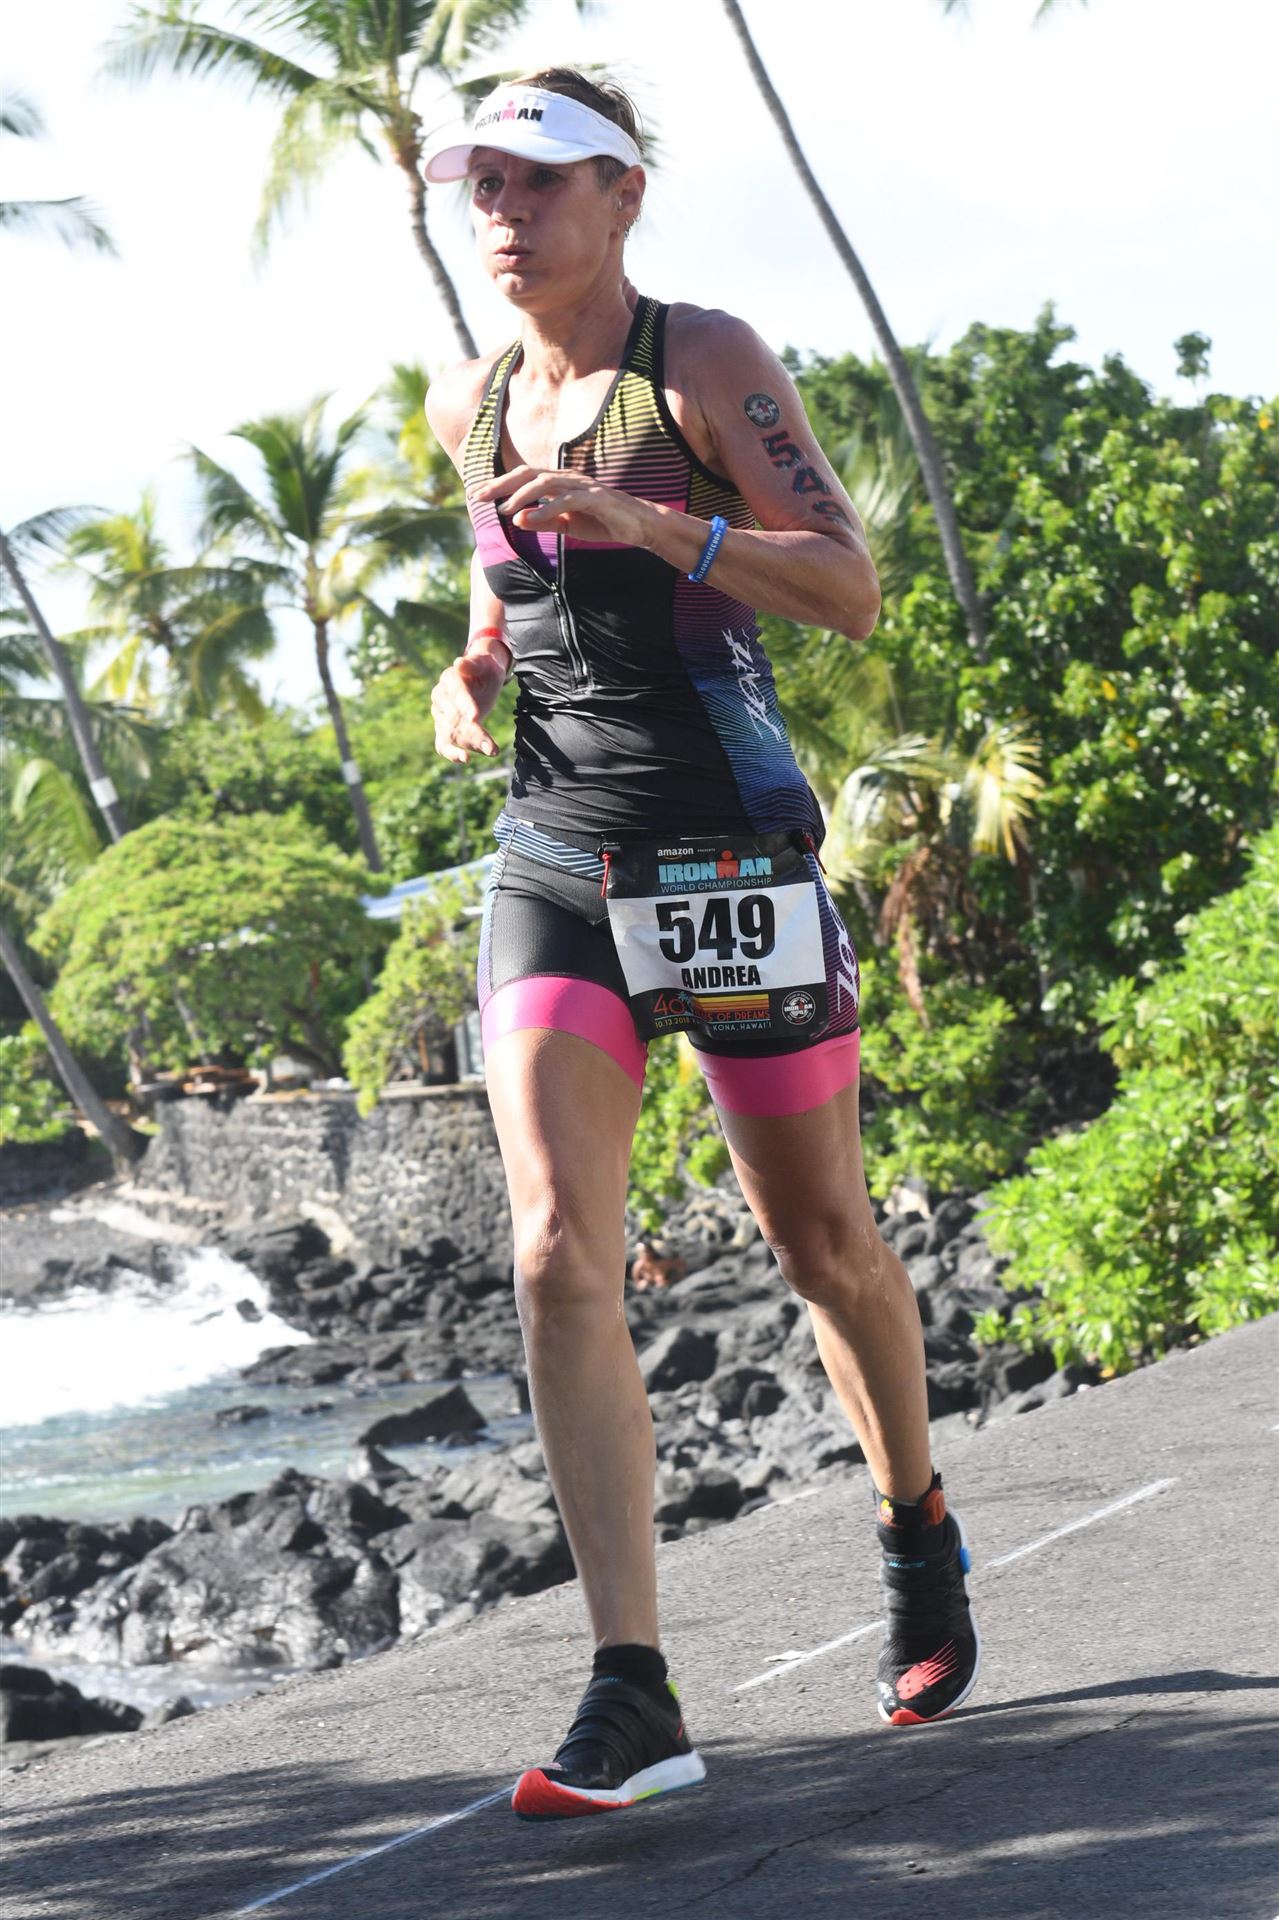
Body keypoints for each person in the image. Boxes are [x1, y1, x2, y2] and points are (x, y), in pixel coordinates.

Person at [420, 69, 979, 1822]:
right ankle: (633, 1689)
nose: (502, 210)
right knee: (554, 1247)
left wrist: (662, 524)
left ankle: (916, 1529)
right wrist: (471, 667)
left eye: (537, 180)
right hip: (556, 859)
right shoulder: (468, 401)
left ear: (623, 197)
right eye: (480, 182)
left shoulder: (703, 362)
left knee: (823, 1244)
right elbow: (505, 578)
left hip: (727, 849)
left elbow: (849, 587)